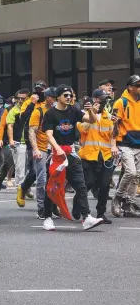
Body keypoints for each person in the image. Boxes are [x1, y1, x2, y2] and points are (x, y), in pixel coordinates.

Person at [42, 85, 104, 230]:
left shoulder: (73, 110)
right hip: (56, 155)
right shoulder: (50, 113)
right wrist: (57, 149)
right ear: (58, 97)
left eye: (70, 95)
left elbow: (91, 120)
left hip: (71, 153)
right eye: (65, 95)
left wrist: (90, 109)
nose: (69, 98)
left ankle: (87, 217)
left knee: (81, 185)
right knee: (52, 187)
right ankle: (47, 218)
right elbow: (49, 135)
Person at [76, 89, 115, 224]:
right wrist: (92, 113)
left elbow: (112, 134)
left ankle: (101, 213)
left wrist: (115, 145)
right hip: (88, 154)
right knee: (87, 183)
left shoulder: (108, 116)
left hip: (105, 155)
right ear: (94, 100)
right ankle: (79, 208)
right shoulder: (83, 115)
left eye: (104, 100)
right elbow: (82, 129)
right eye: (100, 99)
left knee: (104, 185)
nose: (102, 102)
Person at [111, 74, 140, 218]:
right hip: (125, 144)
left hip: (138, 144)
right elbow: (114, 125)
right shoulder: (120, 103)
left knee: (136, 177)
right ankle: (117, 199)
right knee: (131, 172)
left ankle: (129, 205)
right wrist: (114, 144)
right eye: (137, 85)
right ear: (130, 87)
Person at [28, 87, 57, 225]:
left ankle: (53, 206)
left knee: (56, 179)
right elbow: (32, 132)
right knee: (42, 179)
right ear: (48, 98)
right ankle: (41, 207)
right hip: (41, 148)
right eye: (55, 97)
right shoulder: (38, 111)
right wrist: (35, 150)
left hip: (55, 148)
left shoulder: (58, 111)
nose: (57, 100)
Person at [6, 90, 30, 203]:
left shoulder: (31, 109)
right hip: (18, 143)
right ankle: (20, 191)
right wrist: (11, 140)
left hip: (30, 143)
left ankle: (26, 187)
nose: (20, 100)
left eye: (23, 98)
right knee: (20, 169)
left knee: (30, 168)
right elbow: (9, 126)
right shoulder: (13, 111)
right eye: (18, 98)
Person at [0, 98, 15, 191]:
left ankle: (25, 189)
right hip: (8, 141)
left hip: (24, 140)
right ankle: (0, 180)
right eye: (19, 99)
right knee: (8, 163)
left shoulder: (28, 108)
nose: (21, 101)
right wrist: (0, 139)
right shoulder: (8, 110)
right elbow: (2, 125)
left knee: (24, 165)